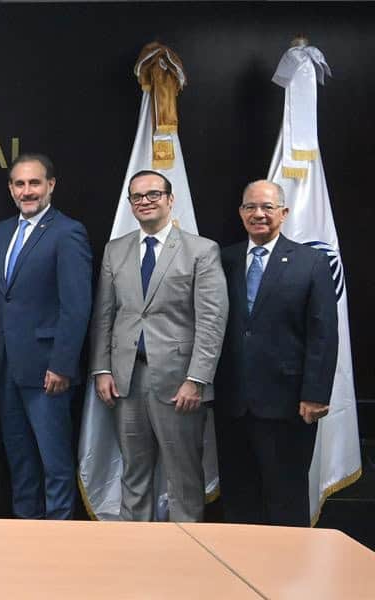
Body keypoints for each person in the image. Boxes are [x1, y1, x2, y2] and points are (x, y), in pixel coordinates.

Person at [90, 169, 228, 522]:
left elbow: (211, 322)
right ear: (130, 204)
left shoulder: (201, 250)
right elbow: (104, 315)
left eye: (153, 194)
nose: (145, 201)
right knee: (133, 472)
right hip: (126, 380)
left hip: (179, 382)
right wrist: (102, 369)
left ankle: (187, 545)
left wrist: (197, 379)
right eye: (137, 196)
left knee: (183, 476)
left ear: (170, 199)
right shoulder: (115, 250)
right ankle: (136, 545)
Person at [214, 180, 337, 526]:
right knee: (239, 498)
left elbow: (323, 333)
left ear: (284, 213)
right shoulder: (223, 259)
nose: (258, 214)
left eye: (267, 207)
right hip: (232, 402)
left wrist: (315, 394)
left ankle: (288, 562)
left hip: (288, 404)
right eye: (250, 207)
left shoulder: (311, 262)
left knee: (286, 498)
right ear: (241, 213)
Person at [0, 154, 92, 520]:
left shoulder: (68, 232)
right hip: (6, 368)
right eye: (19, 184)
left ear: (51, 185)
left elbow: (76, 306)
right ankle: (24, 532)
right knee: (20, 460)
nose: (27, 191)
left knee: (54, 461)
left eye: (34, 183)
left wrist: (62, 365)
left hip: (48, 370)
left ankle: (58, 535)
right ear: (10, 189)